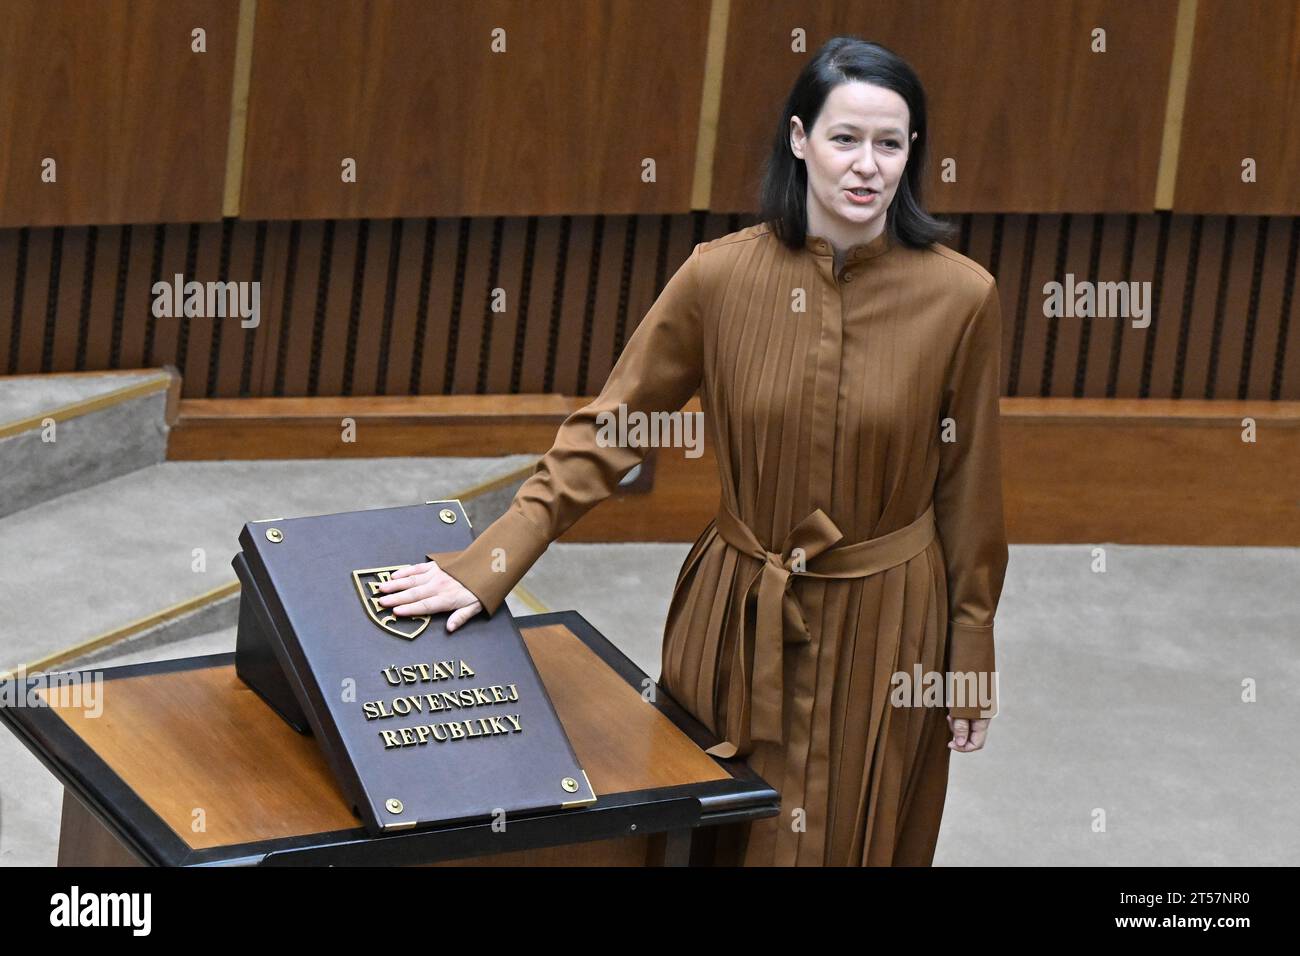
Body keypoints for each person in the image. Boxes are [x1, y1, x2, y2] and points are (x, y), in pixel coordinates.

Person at [376, 35, 1009, 866]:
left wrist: (970, 654)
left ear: (911, 154)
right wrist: (491, 561)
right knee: (715, 838)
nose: (866, 166)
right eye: (844, 138)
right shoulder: (718, 277)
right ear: (798, 139)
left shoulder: (964, 298)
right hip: (737, 610)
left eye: (889, 144)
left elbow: (970, 491)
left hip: (891, 624)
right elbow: (612, 429)